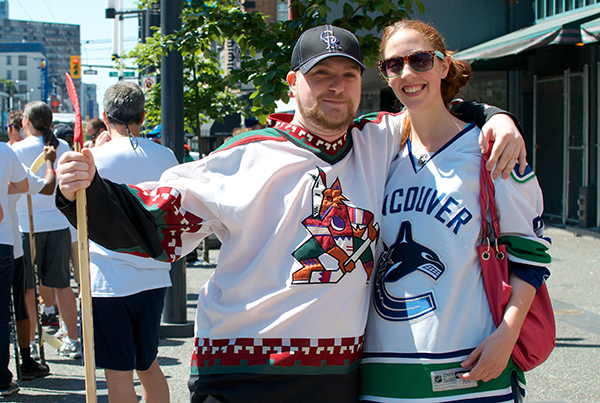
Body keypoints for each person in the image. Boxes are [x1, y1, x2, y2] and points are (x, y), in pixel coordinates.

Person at [55, 25, 525, 402]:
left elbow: (434, 105)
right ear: (293, 83)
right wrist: (87, 188)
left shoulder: (377, 140)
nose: (336, 87)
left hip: (338, 382)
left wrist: (497, 116)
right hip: (242, 379)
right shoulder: (244, 156)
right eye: (321, 75)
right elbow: (151, 225)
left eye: (348, 74)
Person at [359, 20, 551, 403]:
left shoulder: (492, 152)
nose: (407, 73)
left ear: (444, 65)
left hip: (473, 369)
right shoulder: (377, 152)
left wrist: (506, 337)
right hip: (383, 379)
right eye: (394, 65)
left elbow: (529, 257)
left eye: (420, 60)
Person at [85, 81, 177, 403]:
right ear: (143, 115)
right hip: (153, 275)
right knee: (148, 363)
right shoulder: (166, 156)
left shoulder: (93, 158)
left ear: (105, 116)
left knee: (118, 373)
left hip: (109, 279)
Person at [11, 101, 81, 359]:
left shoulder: (17, 149)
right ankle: (73, 339)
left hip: (26, 226)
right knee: (63, 285)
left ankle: (30, 343)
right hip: (58, 222)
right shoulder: (63, 147)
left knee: (28, 288)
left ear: (26, 121)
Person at [7, 139, 55, 378]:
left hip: (11, 241)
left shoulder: (8, 152)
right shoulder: (6, 154)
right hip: (9, 243)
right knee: (18, 306)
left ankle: (23, 361)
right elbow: (47, 187)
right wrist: (49, 163)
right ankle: (25, 359)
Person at [0, 142, 28, 397]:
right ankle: (1, 378)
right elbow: (23, 185)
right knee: (1, 312)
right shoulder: (5, 151)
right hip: (3, 240)